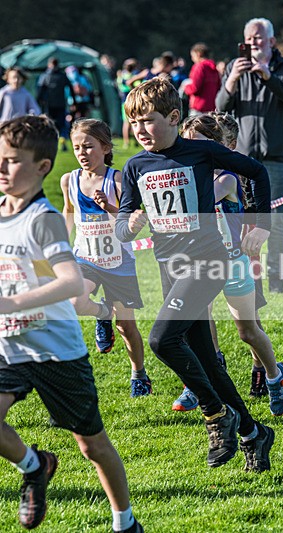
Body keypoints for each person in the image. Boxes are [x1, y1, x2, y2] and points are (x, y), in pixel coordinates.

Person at [115, 77, 275, 471]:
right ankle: (254, 433)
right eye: (134, 123)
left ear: (173, 116)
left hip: (209, 261)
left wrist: (263, 224)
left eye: (148, 121)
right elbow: (121, 224)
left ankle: (216, 415)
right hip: (171, 271)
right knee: (206, 360)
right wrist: (129, 224)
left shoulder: (200, 152)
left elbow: (257, 171)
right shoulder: (136, 166)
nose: (140, 131)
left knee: (160, 340)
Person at [0, 115, 142, 532]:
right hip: (11, 344)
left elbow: (71, 281)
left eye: (12, 162)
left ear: (42, 167)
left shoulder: (41, 220)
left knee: (91, 445)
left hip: (55, 349)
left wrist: (12, 301)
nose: (2, 168)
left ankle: (125, 522)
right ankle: (35, 465)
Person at [176, 112, 283, 415]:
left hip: (233, 262)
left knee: (247, 330)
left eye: (198, 144)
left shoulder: (225, 178)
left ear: (215, 146)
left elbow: (197, 202)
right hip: (202, 263)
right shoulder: (189, 175)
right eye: (186, 143)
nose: (192, 150)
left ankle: (274, 376)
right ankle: (202, 378)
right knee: (200, 324)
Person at [59, 118, 151, 397]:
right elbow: (69, 212)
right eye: (77, 148)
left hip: (118, 262)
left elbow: (130, 226)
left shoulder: (118, 179)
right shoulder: (69, 180)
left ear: (106, 147)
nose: (82, 153)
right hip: (85, 257)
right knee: (75, 302)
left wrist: (108, 206)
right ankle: (102, 313)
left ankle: (139, 374)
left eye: (89, 146)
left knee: (126, 326)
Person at [216, 17, 283, 294]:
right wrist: (232, 79)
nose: (254, 42)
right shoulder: (234, 66)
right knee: (244, 219)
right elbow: (220, 105)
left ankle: (277, 281)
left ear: (272, 41)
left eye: (259, 37)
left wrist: (268, 76)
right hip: (241, 157)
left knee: (275, 220)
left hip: (275, 158)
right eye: (250, 38)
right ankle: (251, 280)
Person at [36, 57, 71, 151]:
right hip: (59, 104)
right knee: (60, 125)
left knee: (50, 124)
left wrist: (38, 102)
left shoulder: (45, 76)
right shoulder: (62, 76)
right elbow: (71, 88)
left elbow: (40, 90)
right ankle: (61, 142)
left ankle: (52, 143)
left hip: (50, 105)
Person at [183, 43, 221, 116]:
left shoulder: (199, 67)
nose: (192, 59)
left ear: (198, 54)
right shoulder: (214, 68)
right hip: (212, 107)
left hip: (198, 107)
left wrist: (186, 87)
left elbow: (195, 88)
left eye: (193, 56)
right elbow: (219, 87)